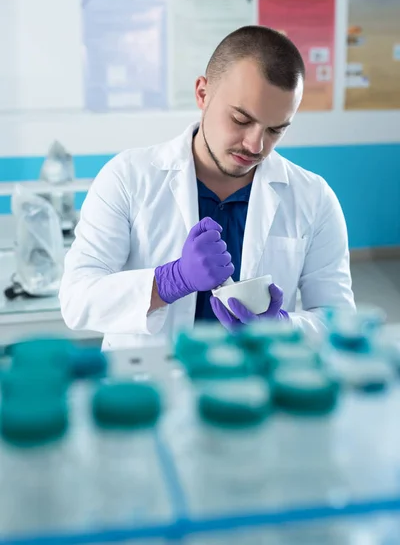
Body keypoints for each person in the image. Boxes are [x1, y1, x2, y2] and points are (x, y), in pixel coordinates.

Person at [59, 25, 355, 350]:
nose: (255, 144)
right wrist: (171, 280)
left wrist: (283, 326)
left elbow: (339, 321)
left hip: (254, 385)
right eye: (241, 120)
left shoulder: (313, 198)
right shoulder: (128, 178)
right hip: (150, 384)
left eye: (275, 130)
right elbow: (76, 300)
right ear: (202, 93)